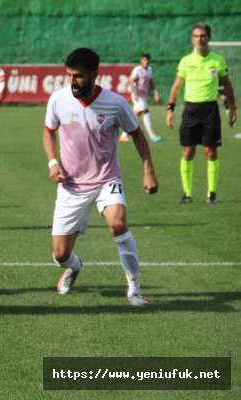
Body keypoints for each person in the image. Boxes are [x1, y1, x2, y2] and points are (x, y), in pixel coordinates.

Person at [42, 48, 159, 307]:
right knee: (61, 254)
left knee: (118, 224)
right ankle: (74, 266)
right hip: (71, 185)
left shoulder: (115, 103)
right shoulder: (58, 99)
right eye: (69, 75)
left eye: (79, 76)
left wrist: (148, 169)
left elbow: (137, 134)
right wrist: (53, 163)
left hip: (107, 179)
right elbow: (48, 131)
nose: (73, 81)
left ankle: (135, 289)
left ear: (95, 74)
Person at [166, 23, 236, 205]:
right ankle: (186, 194)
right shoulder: (186, 61)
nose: (199, 39)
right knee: (188, 152)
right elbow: (176, 86)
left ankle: (211, 193)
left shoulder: (218, 60)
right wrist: (170, 109)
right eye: (196, 36)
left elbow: (227, 85)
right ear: (192, 39)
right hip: (190, 110)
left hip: (210, 110)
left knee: (210, 153)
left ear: (209, 38)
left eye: (203, 36)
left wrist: (233, 108)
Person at [119, 54, 163, 143]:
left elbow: (151, 82)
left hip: (143, 95)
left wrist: (156, 93)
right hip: (138, 95)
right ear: (142, 61)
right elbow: (131, 82)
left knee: (135, 115)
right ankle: (152, 135)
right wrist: (134, 93)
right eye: (144, 60)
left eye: (147, 60)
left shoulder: (149, 69)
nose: (146, 62)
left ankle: (123, 135)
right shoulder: (137, 70)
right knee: (145, 111)